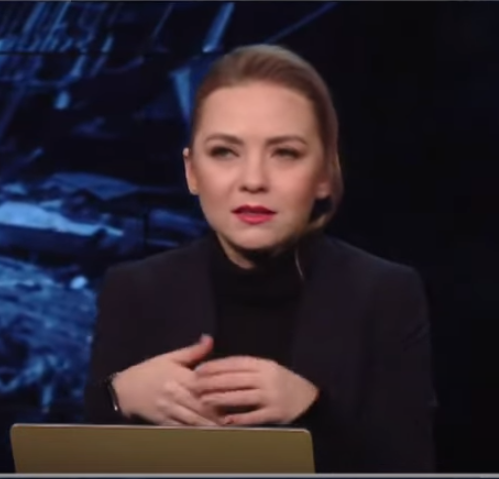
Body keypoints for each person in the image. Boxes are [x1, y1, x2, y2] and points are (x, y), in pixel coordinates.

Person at [84, 44, 435, 472]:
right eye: (224, 152)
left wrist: (313, 410)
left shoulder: (385, 294)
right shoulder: (134, 289)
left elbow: (411, 466)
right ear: (192, 172)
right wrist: (119, 397)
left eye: (285, 153)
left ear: (325, 174)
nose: (253, 180)